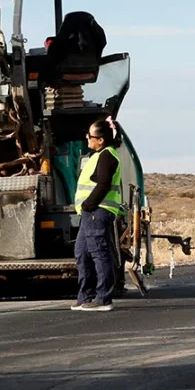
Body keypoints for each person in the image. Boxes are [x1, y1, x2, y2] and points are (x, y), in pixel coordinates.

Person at [72, 117, 124, 313]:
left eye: (90, 136)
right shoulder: (97, 155)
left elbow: (103, 183)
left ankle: (103, 298)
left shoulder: (107, 156)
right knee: (82, 253)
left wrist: (88, 205)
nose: (87, 139)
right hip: (90, 213)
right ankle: (85, 296)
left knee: (99, 254)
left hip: (97, 211)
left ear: (101, 139)